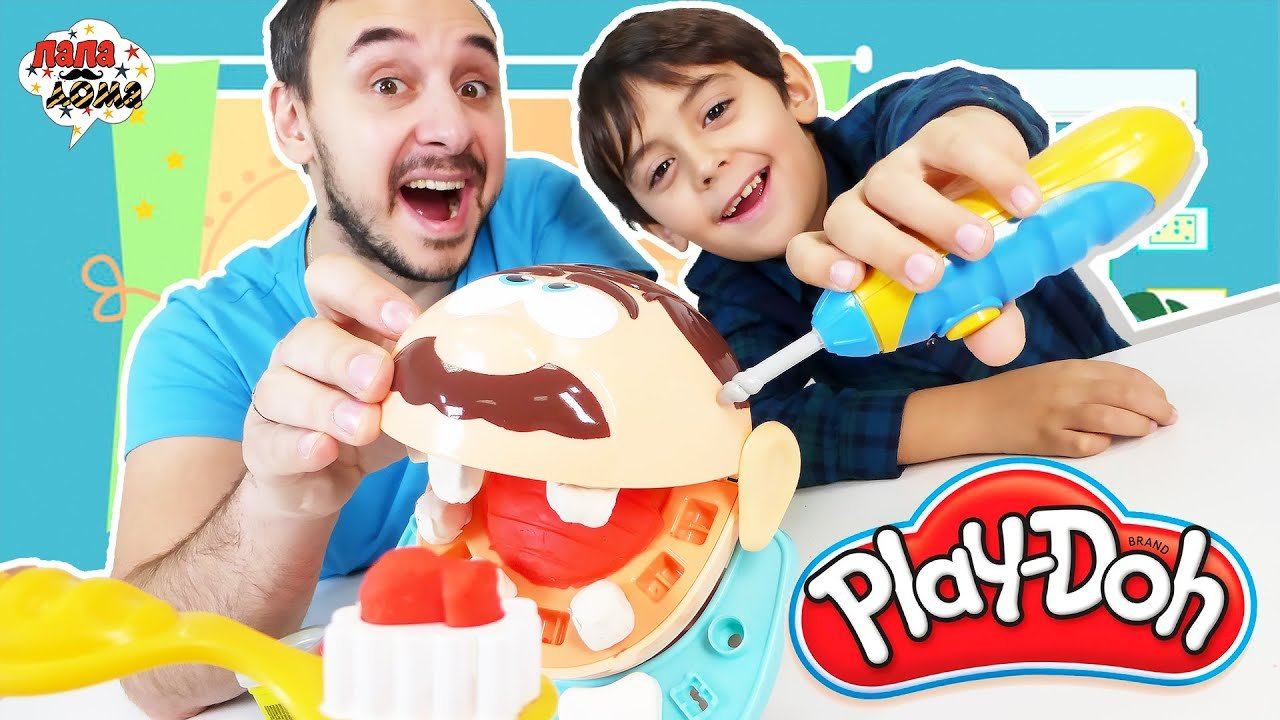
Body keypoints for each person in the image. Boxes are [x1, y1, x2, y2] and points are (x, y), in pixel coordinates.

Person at [111, 0, 651, 716]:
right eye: (388, 83)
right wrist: (286, 499)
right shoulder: (201, 339)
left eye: (474, 85)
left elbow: (681, 396)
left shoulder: (536, 212)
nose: (452, 127)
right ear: (293, 121)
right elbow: (153, 673)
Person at [575, 5, 1177, 488]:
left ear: (793, 89)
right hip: (956, 504)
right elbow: (758, 433)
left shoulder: (882, 138)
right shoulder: (732, 296)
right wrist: (983, 415)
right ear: (661, 231)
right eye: (661, 171)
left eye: (715, 110)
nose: (706, 164)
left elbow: (953, 103)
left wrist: (976, 146)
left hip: (1136, 400)